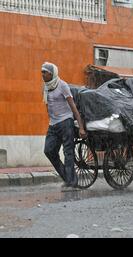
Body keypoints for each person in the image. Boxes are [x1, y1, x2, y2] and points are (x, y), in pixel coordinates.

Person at [41, 62, 87, 191]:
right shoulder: (45, 87)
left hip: (66, 122)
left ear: (52, 73)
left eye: (45, 72)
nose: (42, 74)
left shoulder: (62, 85)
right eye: (42, 72)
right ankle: (68, 178)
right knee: (49, 151)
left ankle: (71, 183)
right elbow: (47, 106)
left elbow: (73, 107)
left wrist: (81, 127)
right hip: (53, 124)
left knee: (68, 152)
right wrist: (51, 120)